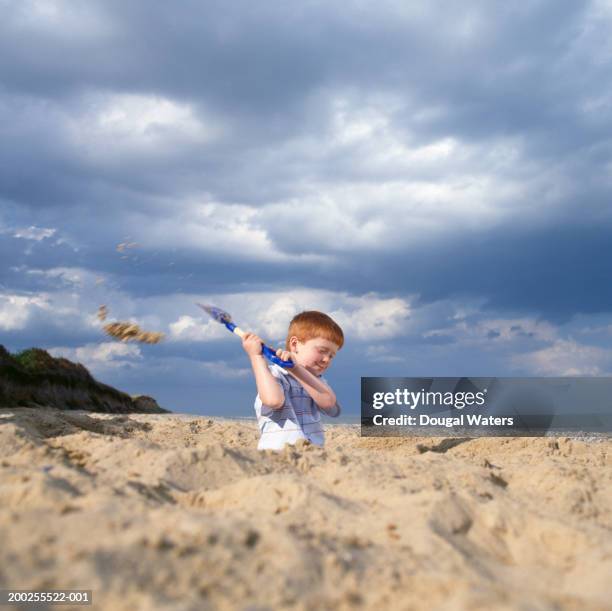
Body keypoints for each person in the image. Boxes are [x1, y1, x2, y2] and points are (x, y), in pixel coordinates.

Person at [242, 311, 343, 451]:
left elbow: (329, 403)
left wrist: (296, 369)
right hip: (278, 454)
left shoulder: (317, 382)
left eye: (331, 356)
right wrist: (256, 356)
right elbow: (273, 400)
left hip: (312, 455)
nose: (327, 359)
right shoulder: (275, 374)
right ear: (295, 345)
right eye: (322, 350)